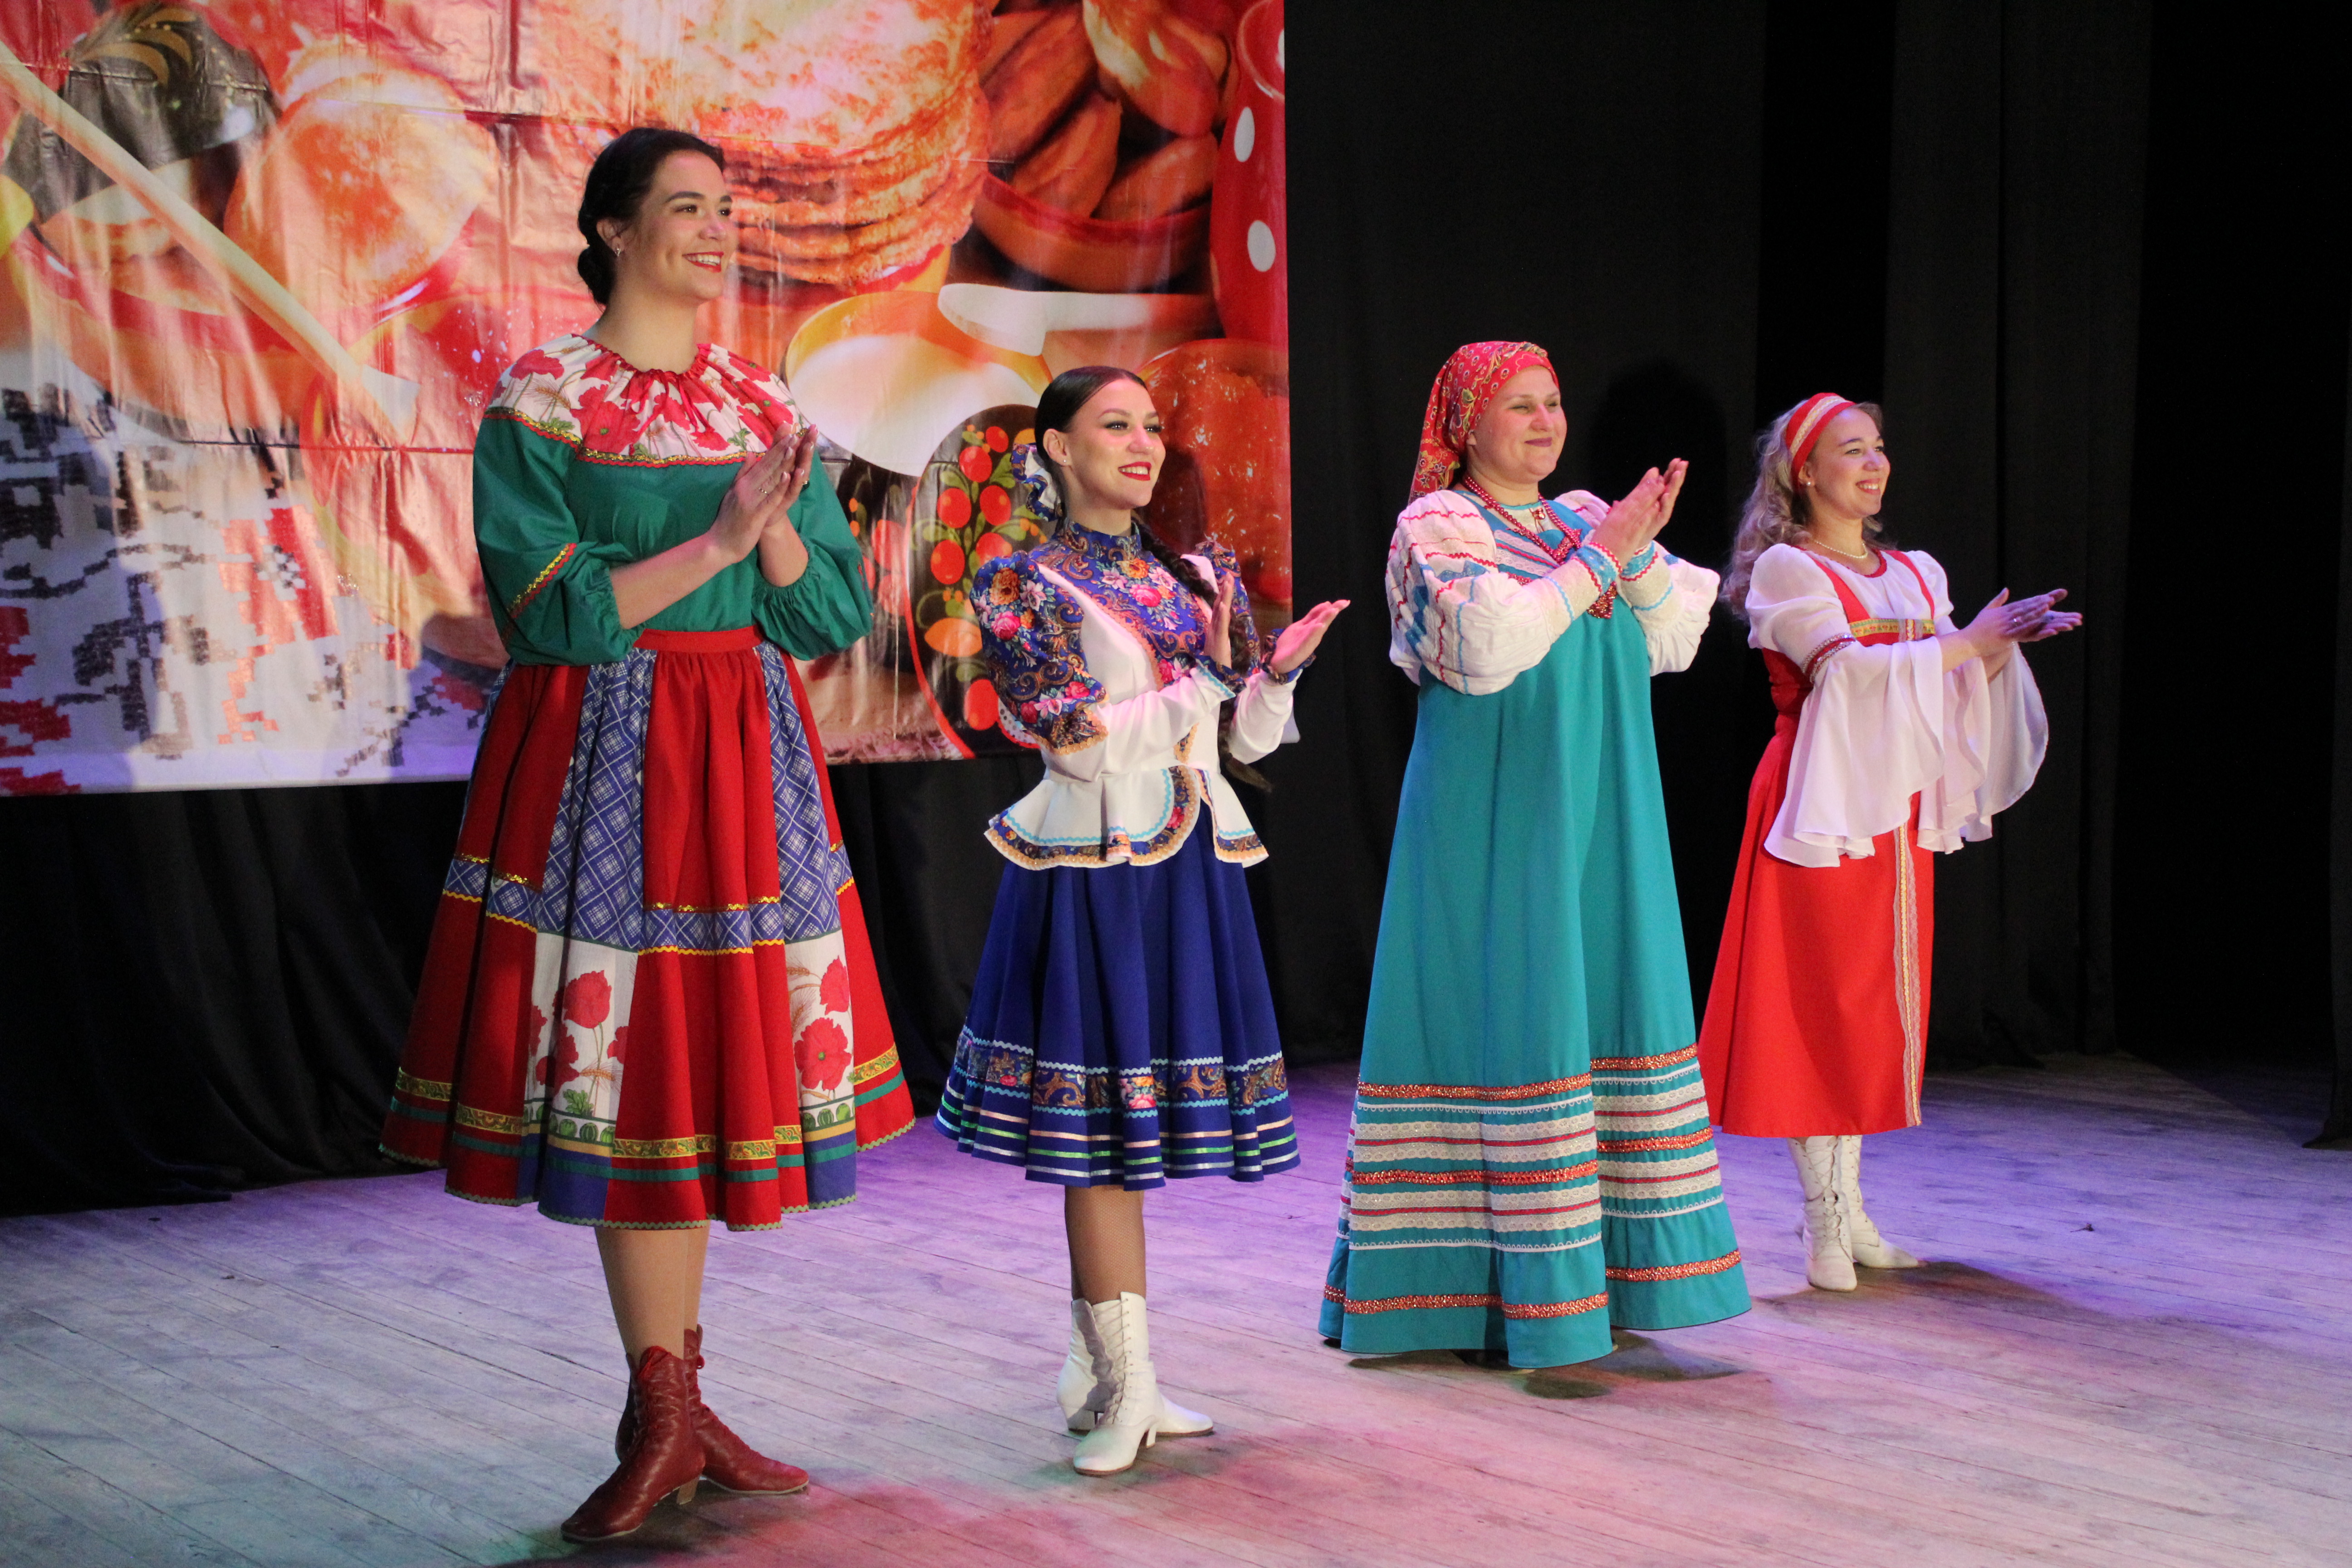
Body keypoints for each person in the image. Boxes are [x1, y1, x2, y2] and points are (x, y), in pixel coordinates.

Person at [378, 127, 914, 1543]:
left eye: (725, 208)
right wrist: (718, 544)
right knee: (628, 1066)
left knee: (704, 1063)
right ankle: (662, 1403)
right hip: (606, 747)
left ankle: (678, 1404)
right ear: (612, 231)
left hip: (743, 745)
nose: (716, 228)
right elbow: (546, 612)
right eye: (687, 207)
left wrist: (773, 529)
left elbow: (827, 613)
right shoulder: (544, 394)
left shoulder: (758, 396)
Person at [934, 365, 1346, 1475]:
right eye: (1114, 424)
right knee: (1102, 1134)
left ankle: (1099, 1371)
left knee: (1132, 1128)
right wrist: (1204, 682)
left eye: (1152, 426)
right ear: (1057, 448)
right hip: (1092, 871)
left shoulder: (1196, 573)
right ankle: (1129, 1386)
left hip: (1188, 866)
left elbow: (1240, 742)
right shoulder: (1020, 581)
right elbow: (1072, 745)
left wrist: (1274, 677)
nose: (1143, 443)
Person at [1319, 341, 1750, 1371]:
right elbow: (1486, 647)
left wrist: (1624, 546)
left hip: (1601, 807)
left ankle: (1607, 1278)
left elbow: (1676, 637)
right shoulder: (1438, 526)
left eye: (1553, 402)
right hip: (1496, 816)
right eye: (1520, 405)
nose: (1546, 421)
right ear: (1467, 424)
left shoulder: (1578, 515)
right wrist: (1601, 558)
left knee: (1595, 1007)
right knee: (1504, 1008)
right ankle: (1477, 1293)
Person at [1697, 394, 2079, 1291]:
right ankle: (1824, 1216)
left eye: (1878, 448)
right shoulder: (1790, 569)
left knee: (1872, 1004)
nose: (1874, 465)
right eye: (1851, 451)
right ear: (1805, 473)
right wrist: (1966, 645)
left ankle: (1852, 1210)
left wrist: (1997, 648)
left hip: (1892, 810)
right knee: (1819, 1001)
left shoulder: (1915, 572)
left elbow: (1939, 684)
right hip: (1818, 806)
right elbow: (1845, 674)